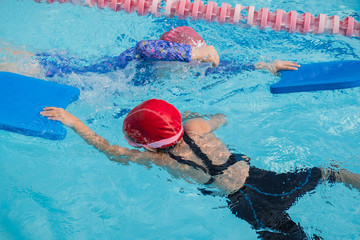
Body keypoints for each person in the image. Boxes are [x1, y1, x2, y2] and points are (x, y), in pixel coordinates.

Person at [41, 99, 360, 240]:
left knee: (290, 236)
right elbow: (221, 117)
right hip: (263, 178)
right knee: (328, 172)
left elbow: (108, 149)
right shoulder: (195, 126)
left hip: (245, 205)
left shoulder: (159, 159)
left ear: (144, 144)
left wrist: (73, 121)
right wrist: (204, 117)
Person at [0, 26, 300, 82]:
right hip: (62, 72)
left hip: (70, 66)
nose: (190, 70)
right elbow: (147, 45)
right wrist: (193, 54)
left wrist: (266, 66)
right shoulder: (145, 58)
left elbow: (225, 67)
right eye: (187, 61)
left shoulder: (185, 66)